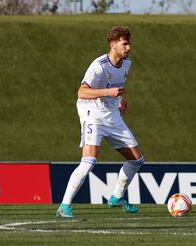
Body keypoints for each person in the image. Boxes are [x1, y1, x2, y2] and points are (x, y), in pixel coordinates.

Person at [56, 26, 144, 218]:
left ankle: (116, 197)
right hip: (92, 113)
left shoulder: (126, 63)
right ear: (113, 45)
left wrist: (120, 101)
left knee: (137, 159)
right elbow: (81, 92)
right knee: (89, 161)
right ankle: (64, 205)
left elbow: (116, 87)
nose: (128, 47)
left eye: (129, 43)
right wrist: (108, 93)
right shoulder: (99, 65)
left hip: (111, 114)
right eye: (124, 44)